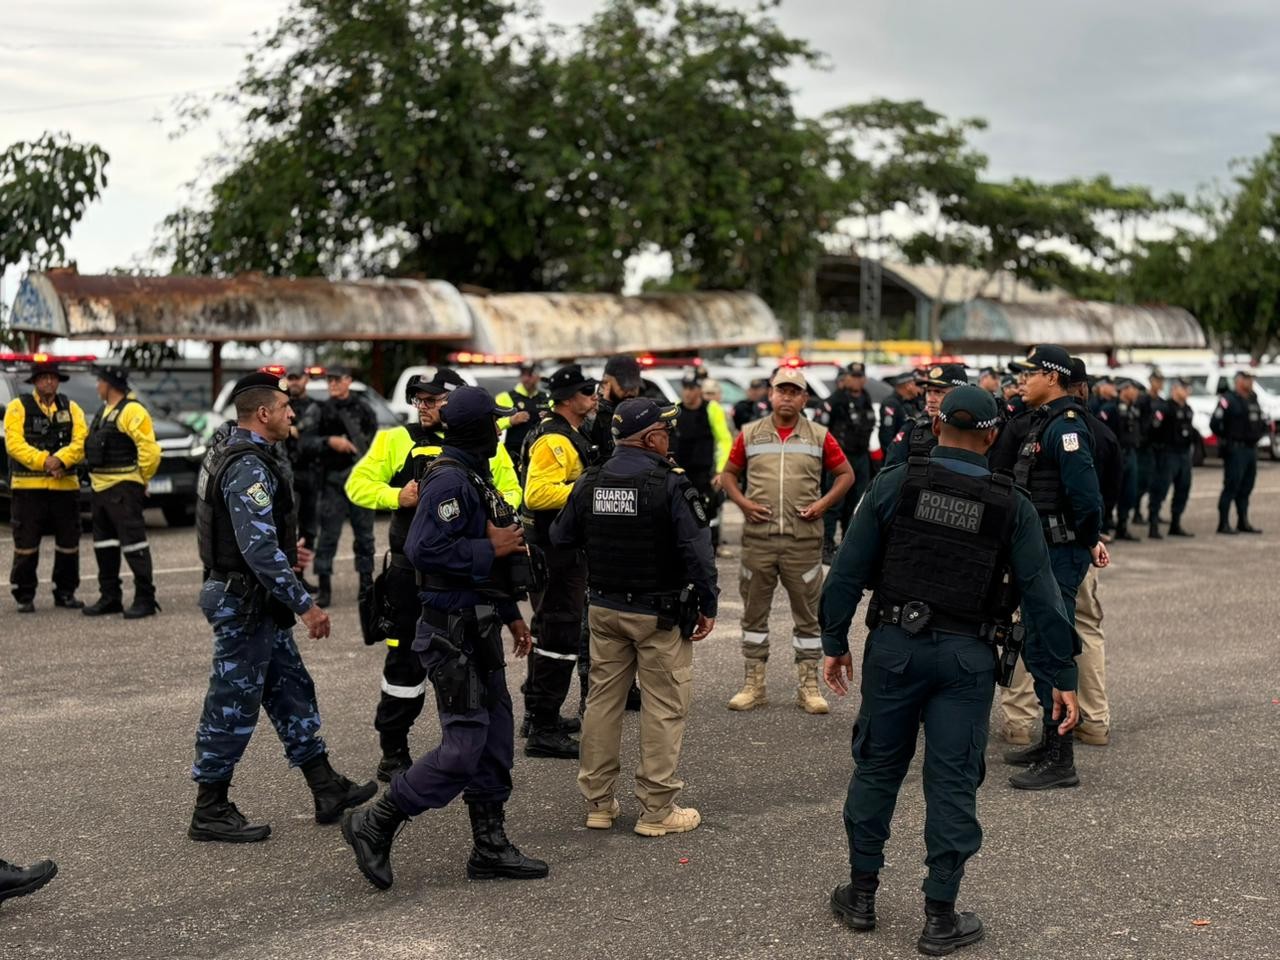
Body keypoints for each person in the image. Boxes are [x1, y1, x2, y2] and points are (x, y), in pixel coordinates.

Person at [820, 385, 1080, 957]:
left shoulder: (895, 483)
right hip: (967, 658)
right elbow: (1043, 599)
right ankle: (940, 915)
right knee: (954, 779)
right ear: (991, 436)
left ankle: (861, 894)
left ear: (938, 429)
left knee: (878, 767)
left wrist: (835, 640)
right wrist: (1061, 675)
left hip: (894, 647)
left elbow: (845, 572)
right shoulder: (1012, 504)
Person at [342, 386, 548, 890]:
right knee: (463, 746)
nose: (501, 430)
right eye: (495, 424)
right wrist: (488, 546)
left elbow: (490, 567)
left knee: (496, 740)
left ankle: (490, 846)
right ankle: (376, 821)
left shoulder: (475, 474)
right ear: (477, 430)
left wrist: (512, 615)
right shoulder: (449, 480)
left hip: (480, 626)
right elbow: (424, 548)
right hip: (450, 632)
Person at [189, 372, 374, 843]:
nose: (295, 413)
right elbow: (256, 549)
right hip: (244, 601)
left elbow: (254, 537)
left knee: (290, 688)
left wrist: (290, 555)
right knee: (232, 703)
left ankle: (326, 786)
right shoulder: (246, 464)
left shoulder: (236, 448)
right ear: (264, 413)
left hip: (254, 599)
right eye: (285, 406)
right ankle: (209, 808)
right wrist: (305, 602)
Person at [551, 398, 719, 836]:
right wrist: (709, 604)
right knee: (663, 706)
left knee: (602, 703)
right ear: (650, 438)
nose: (670, 436)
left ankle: (599, 804)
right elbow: (699, 552)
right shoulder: (670, 484)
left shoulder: (591, 479)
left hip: (605, 608)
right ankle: (657, 811)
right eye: (665, 430)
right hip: (658, 614)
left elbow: (560, 535)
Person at [345, 367, 522, 781]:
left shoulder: (483, 445)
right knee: (404, 662)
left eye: (433, 400)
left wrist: (491, 520)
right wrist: (396, 495)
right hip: (410, 575)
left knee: (471, 662)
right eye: (418, 401)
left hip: (468, 571)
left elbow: (512, 490)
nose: (423, 408)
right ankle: (394, 747)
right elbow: (357, 484)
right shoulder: (395, 439)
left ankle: (465, 748)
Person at [989, 344, 1106, 789]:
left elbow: (1087, 500)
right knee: (1035, 642)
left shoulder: (1066, 428)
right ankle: (1049, 738)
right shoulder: (1042, 422)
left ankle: (1062, 758)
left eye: (1029, 373)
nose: (1022, 380)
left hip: (1057, 553)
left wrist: (1085, 540)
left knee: (1052, 644)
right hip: (1037, 550)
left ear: (1052, 377)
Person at [719, 367, 853, 714]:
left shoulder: (819, 435)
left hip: (802, 541)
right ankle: (754, 684)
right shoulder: (749, 434)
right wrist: (744, 503)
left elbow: (846, 475)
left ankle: (808, 686)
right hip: (759, 541)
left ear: (804, 398)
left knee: (808, 617)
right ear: (771, 395)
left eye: (795, 392)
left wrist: (822, 504)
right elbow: (728, 475)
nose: (787, 397)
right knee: (753, 615)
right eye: (782, 391)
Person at [519, 363, 598, 758]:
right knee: (558, 635)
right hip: (555, 551)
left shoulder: (566, 432)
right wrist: (587, 487)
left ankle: (537, 714)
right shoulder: (555, 440)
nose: (594, 396)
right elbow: (537, 494)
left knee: (548, 629)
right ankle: (544, 727)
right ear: (568, 399)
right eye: (587, 391)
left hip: (555, 548)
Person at [5, 359, 88, 613]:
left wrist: (62, 459)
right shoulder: (18, 407)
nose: (49, 381)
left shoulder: (72, 407)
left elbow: (81, 440)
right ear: (35, 381)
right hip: (28, 489)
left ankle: (65, 593)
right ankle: (24, 595)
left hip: (65, 488)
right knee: (26, 543)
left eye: (53, 377)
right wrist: (45, 461)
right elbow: (14, 444)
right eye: (43, 377)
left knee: (68, 543)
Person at [81, 364, 162, 619]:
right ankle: (110, 597)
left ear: (109, 384)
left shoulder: (132, 411)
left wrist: (141, 479)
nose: (97, 387)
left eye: (100, 382)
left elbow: (150, 451)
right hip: (100, 489)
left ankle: (145, 598)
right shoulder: (104, 412)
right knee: (104, 546)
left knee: (133, 544)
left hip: (123, 489)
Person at [312, 365, 378, 607]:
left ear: (348, 380)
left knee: (365, 536)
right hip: (332, 481)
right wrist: (330, 441)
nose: (333, 384)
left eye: (337, 380)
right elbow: (308, 442)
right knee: (328, 536)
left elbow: (374, 443)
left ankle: (366, 585)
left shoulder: (364, 409)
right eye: (329, 380)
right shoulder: (321, 410)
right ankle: (325, 588)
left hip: (360, 480)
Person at [818, 363, 876, 562]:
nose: (857, 380)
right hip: (840, 458)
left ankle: (847, 545)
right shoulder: (836, 400)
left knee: (856, 504)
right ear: (845, 377)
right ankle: (826, 545)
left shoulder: (865, 397)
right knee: (834, 503)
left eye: (861, 376)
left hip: (861, 456)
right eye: (854, 376)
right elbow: (822, 430)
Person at [675, 373, 732, 547]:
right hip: (681, 472)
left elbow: (724, 440)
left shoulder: (711, 409)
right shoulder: (676, 409)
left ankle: (712, 547)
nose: (687, 393)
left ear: (699, 390)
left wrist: (721, 471)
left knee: (709, 511)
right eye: (685, 388)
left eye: (691, 388)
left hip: (705, 472)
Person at [882, 363, 970, 469]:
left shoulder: (977, 430)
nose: (930, 399)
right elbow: (890, 472)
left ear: (960, 394)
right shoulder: (913, 430)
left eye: (938, 392)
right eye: (928, 391)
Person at [1211, 370, 1267, 534]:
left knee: (1246, 487)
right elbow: (1215, 423)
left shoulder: (1252, 399)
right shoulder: (1228, 400)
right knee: (1231, 486)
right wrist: (1227, 439)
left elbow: (1259, 421)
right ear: (1239, 381)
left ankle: (1243, 521)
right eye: (1248, 379)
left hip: (1250, 449)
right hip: (1235, 449)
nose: (1251, 382)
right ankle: (1223, 523)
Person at [284, 367, 323, 573]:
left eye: (297, 378)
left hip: (310, 474)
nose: (294, 383)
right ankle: (291, 575)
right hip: (288, 473)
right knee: (290, 527)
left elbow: (304, 429)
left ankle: (300, 574)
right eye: (290, 379)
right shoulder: (281, 404)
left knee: (309, 529)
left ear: (306, 379)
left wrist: (293, 429)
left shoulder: (314, 407)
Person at [1097, 378, 1143, 541]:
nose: (1136, 393)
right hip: (1116, 455)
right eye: (1133, 389)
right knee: (1111, 491)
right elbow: (1103, 434)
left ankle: (1123, 525)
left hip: (1131, 453)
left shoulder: (1133, 408)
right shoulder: (1110, 408)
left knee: (1130, 492)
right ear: (1124, 389)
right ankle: (1104, 526)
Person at [1151, 377, 1196, 537]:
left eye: (1188, 388)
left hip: (1183, 454)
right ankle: (1153, 524)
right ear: (1175, 389)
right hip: (1168, 453)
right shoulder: (1165, 408)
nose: (1187, 391)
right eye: (1183, 388)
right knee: (1160, 489)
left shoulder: (1188, 409)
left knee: (1183, 488)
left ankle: (1175, 523)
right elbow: (1154, 430)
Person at [496, 362, 550, 472]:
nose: (526, 379)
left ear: (538, 377)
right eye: (523, 375)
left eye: (530, 375)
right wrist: (511, 420)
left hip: (541, 453)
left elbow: (559, 420)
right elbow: (492, 425)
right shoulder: (506, 397)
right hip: (514, 455)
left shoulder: (546, 397)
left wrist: (549, 418)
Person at [1133, 369, 1165, 526]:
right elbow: (1138, 422)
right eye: (1156, 381)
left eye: (1161, 381)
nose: (1159, 384)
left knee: (1156, 482)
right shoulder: (1143, 400)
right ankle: (1136, 511)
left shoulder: (1161, 402)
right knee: (1142, 480)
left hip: (1157, 446)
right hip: (1144, 447)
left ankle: (1154, 511)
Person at [877, 372, 920, 455]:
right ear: (908, 386)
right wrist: (892, 456)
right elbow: (886, 435)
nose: (920, 388)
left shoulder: (910, 402)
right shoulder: (891, 403)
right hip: (897, 456)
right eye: (917, 384)